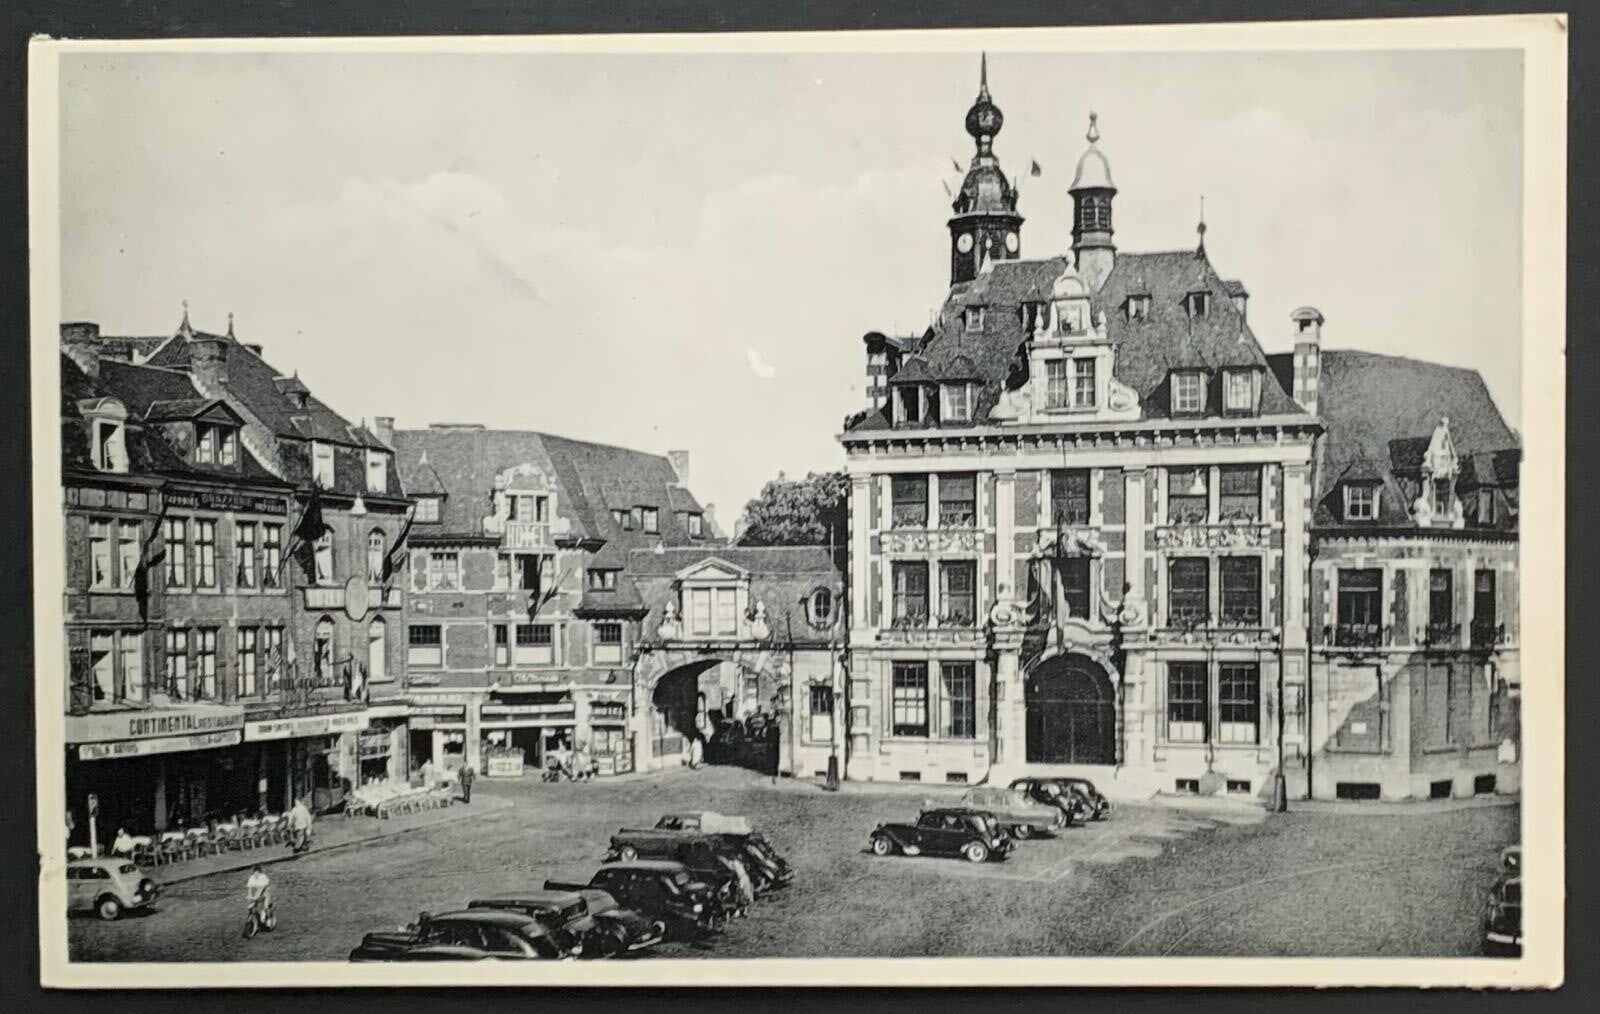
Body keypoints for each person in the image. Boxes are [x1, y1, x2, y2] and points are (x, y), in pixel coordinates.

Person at [245, 865, 272, 930]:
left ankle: (268, 919)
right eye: (254, 872)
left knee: (265, 907)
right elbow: (249, 886)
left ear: (260, 872)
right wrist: (250, 895)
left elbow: (265, 884)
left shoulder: (263, 877)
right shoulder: (252, 878)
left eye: (257, 872)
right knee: (251, 906)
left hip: (264, 894)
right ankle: (254, 919)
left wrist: (261, 888)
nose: (256, 873)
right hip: (256, 895)